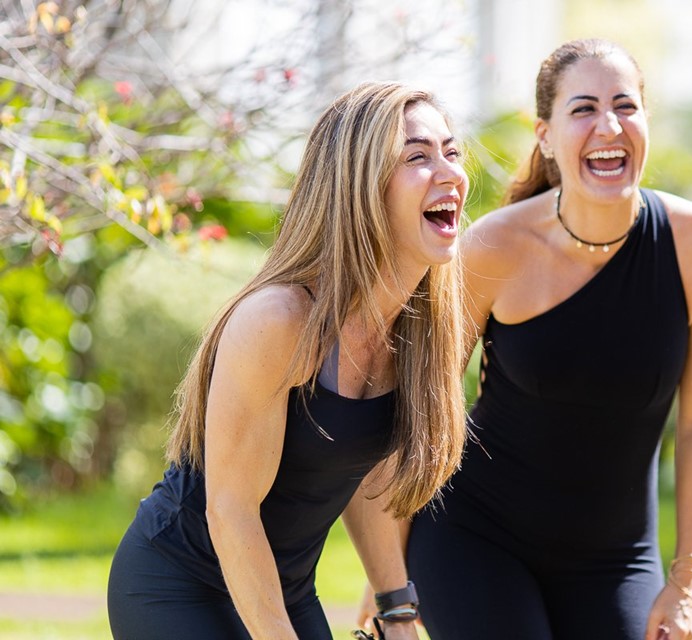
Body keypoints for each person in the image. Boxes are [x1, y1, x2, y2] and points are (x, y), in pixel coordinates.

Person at [107, 81, 469, 640]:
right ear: (359, 187)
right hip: (178, 583)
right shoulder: (281, 321)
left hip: (285, 586)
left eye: (451, 151)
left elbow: (364, 471)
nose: (449, 172)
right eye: (417, 156)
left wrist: (396, 610)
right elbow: (230, 511)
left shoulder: (415, 329)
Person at [402, 38, 692, 640]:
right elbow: (420, 409)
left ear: (646, 124)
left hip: (615, 560)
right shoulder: (492, 249)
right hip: (475, 537)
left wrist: (685, 582)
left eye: (625, 106)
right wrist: (389, 583)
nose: (608, 126)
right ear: (546, 135)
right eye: (582, 109)